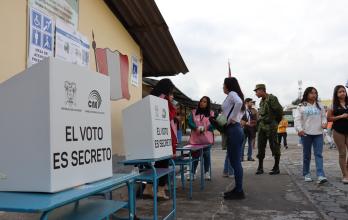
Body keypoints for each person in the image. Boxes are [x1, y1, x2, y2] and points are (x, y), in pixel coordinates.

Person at [143, 78, 177, 199]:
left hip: (152, 135)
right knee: (163, 163)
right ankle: (161, 191)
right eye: (171, 91)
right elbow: (169, 116)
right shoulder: (164, 99)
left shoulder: (151, 97)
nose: (171, 94)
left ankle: (148, 188)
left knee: (154, 163)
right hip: (164, 134)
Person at [219, 77, 245, 200]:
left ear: (228, 85)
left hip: (234, 129)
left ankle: (239, 190)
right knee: (235, 161)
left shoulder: (232, 94)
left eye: (223, 84)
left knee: (235, 162)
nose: (222, 87)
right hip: (236, 130)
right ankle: (238, 188)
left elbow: (238, 103)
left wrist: (232, 119)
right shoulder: (235, 94)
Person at [294, 87, 328, 184]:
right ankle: (306, 174)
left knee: (318, 154)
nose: (314, 95)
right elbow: (297, 119)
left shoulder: (320, 106)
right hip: (306, 134)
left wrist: (324, 123)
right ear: (307, 94)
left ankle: (321, 175)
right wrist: (299, 130)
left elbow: (323, 117)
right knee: (306, 155)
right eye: (311, 93)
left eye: (315, 93)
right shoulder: (301, 106)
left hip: (318, 134)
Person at [254, 84, 283, 175]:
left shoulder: (272, 98)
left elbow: (279, 110)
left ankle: (276, 167)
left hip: (271, 126)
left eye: (257, 91)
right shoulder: (261, 102)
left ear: (262, 90)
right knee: (260, 146)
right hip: (262, 126)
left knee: (274, 146)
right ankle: (260, 167)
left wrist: (275, 121)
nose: (256, 93)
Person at [187, 96, 215, 180]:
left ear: (208, 104)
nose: (202, 103)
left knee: (206, 156)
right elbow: (190, 122)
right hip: (195, 140)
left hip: (206, 139)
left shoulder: (211, 113)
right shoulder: (193, 112)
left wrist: (205, 128)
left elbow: (213, 124)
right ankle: (192, 173)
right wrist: (196, 128)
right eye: (201, 101)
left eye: (205, 102)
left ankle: (206, 172)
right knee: (195, 157)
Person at [327, 85, 348, 184]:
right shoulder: (332, 105)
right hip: (338, 131)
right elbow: (329, 118)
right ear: (336, 93)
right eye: (340, 92)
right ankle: (345, 175)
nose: (342, 93)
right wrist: (341, 116)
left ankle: (346, 169)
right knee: (342, 153)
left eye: (344, 91)